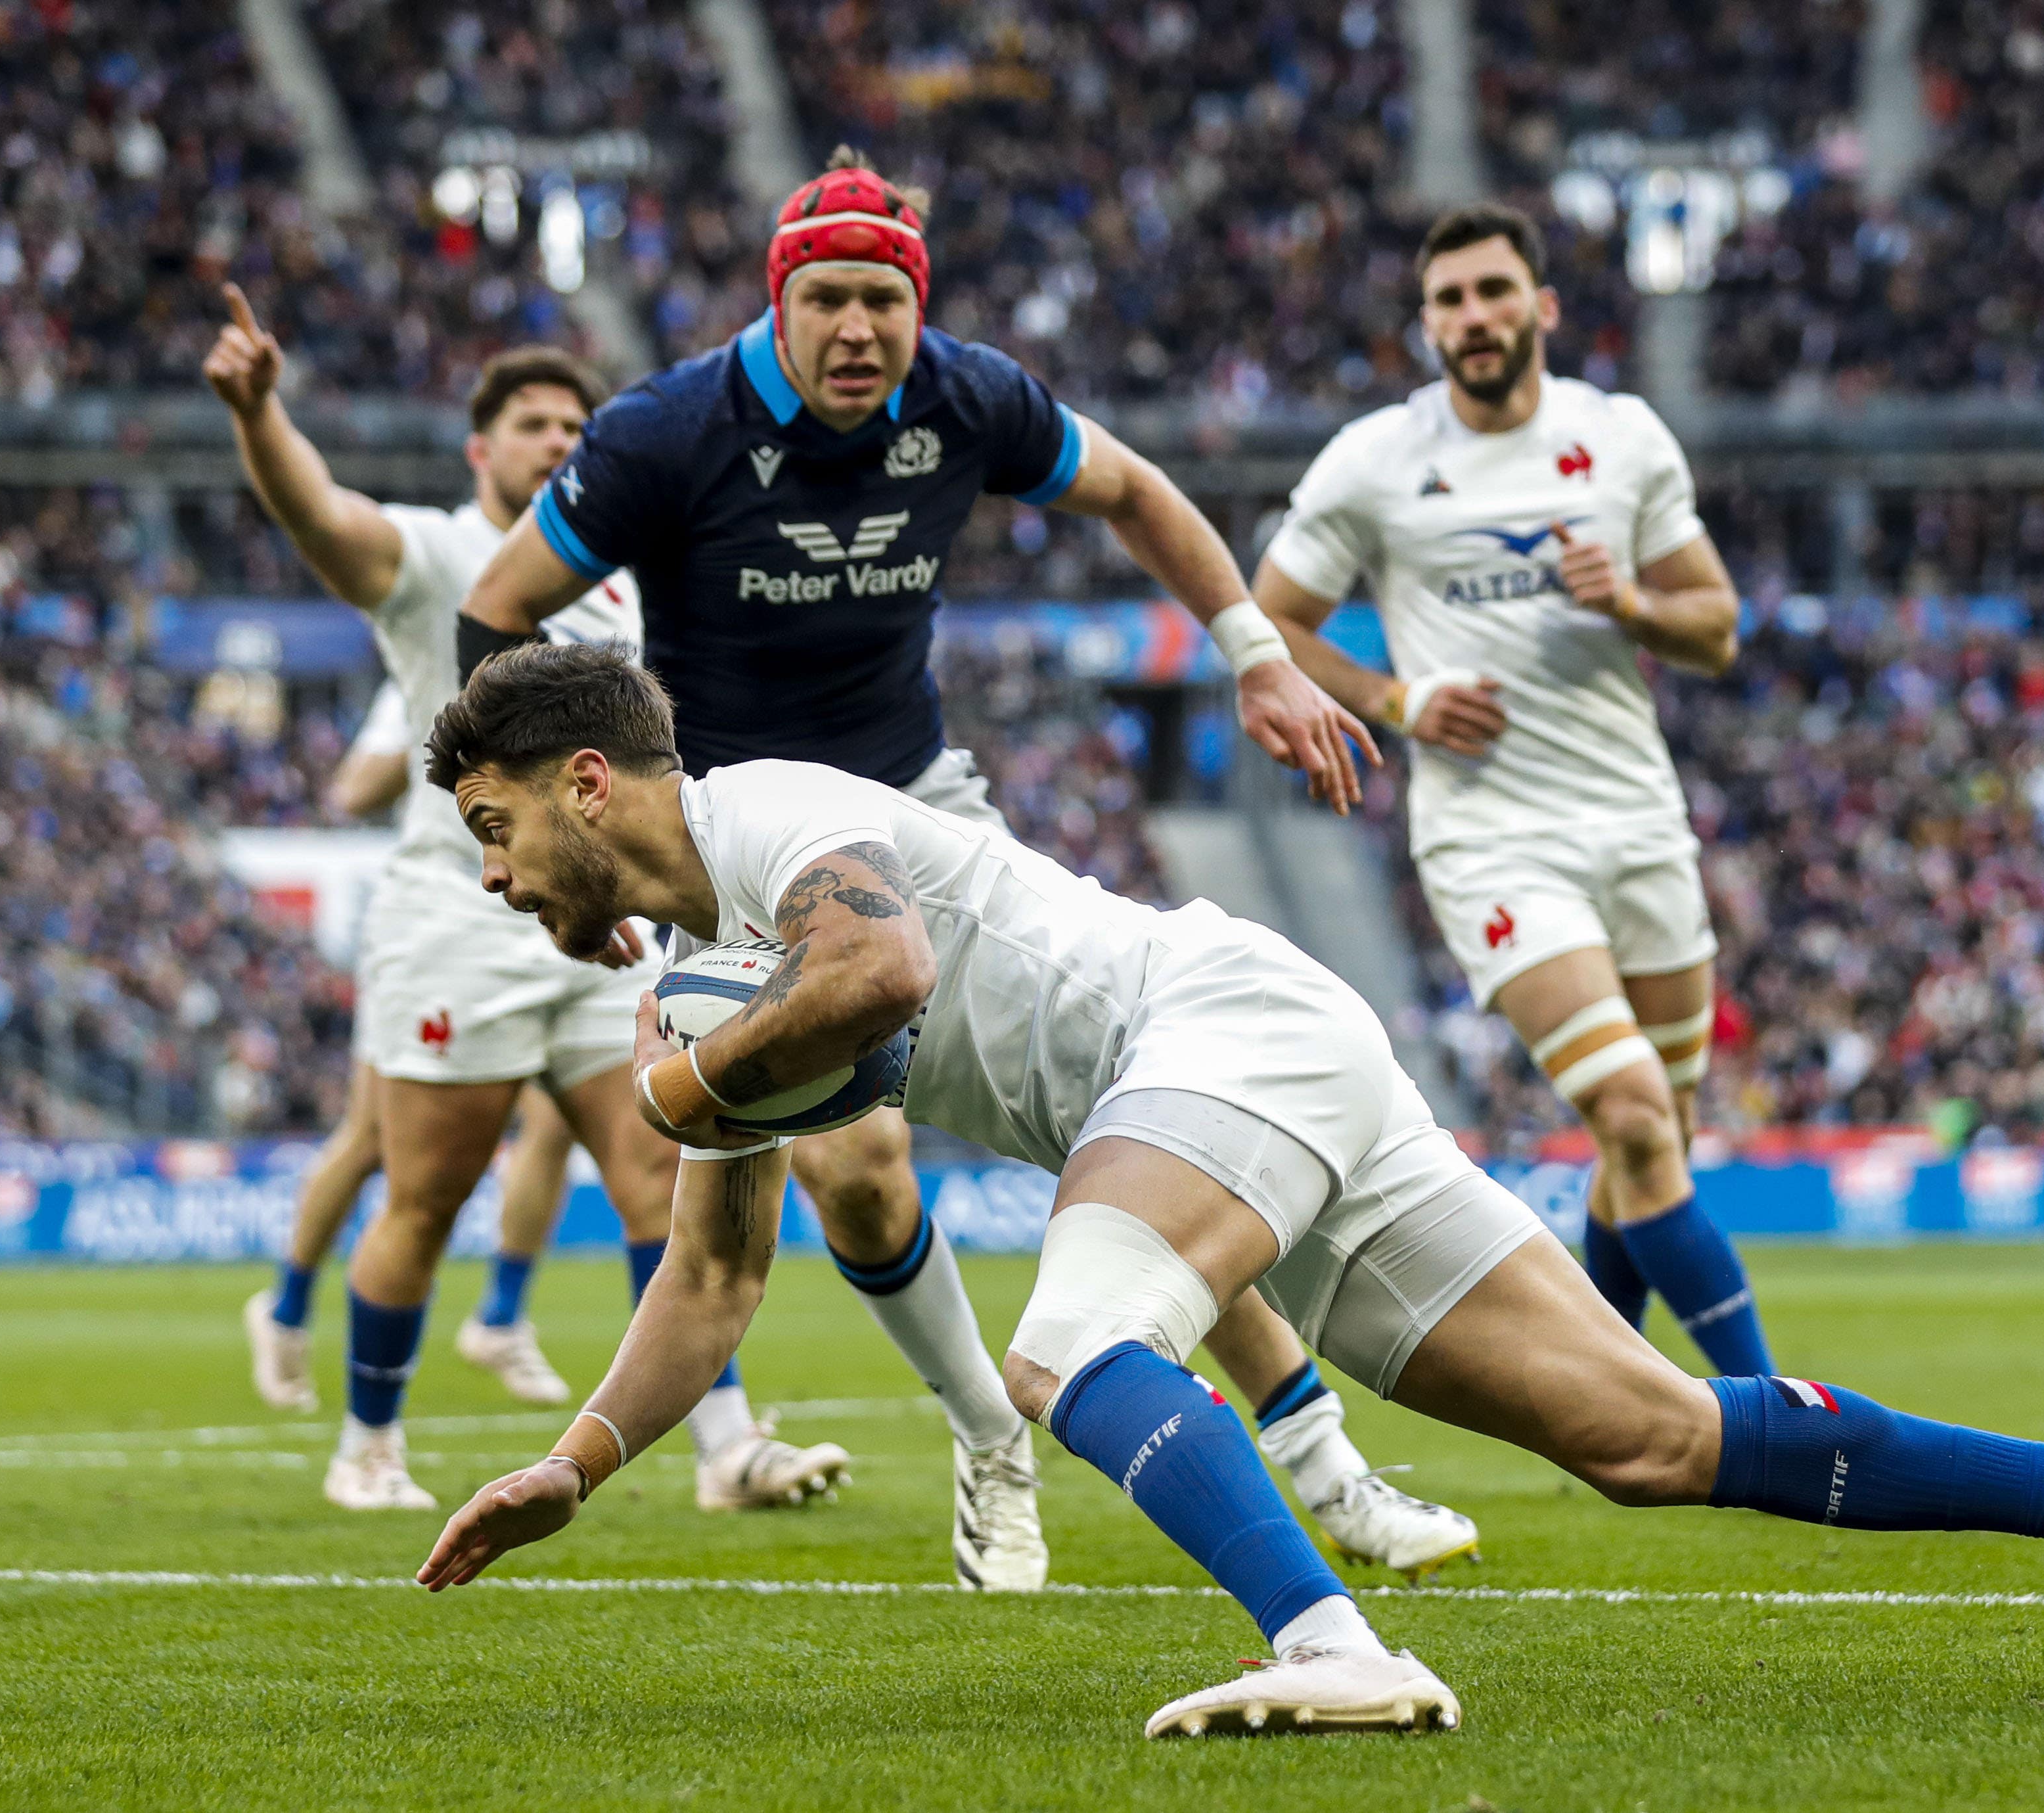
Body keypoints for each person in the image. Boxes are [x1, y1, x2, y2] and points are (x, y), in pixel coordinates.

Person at [411, 645, 2044, 1735]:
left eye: (494, 829)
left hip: (1214, 1024)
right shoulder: (710, 978)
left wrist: (676, 1077)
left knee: (1070, 1344)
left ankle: (1333, 1649)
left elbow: (884, 972)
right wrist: (574, 1461)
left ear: (587, 780)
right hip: (1253, 1072)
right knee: (1640, 1433)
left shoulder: (765, 816)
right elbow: (711, 1278)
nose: (494, 882)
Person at [445, 147, 1480, 1590]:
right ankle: (989, 1431)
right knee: (859, 1171)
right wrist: (558, 838)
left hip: (912, 801)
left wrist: (1251, 653)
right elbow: (494, 608)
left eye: (887, 299)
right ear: (777, 306)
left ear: (918, 309)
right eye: (831, 300)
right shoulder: (662, 432)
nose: (861, 330)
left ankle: (1327, 1465)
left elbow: (1135, 489)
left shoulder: (967, 394)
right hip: (727, 844)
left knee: (1125, 1108)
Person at [204, 296, 840, 1514]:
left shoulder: (614, 594)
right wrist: (258, 413)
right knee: (428, 1192)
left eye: (575, 426)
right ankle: (370, 1444)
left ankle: (723, 1446)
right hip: (457, 920)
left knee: (665, 1173)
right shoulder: (439, 554)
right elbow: (320, 519)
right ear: (478, 449)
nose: (558, 440)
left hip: (603, 935)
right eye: (532, 422)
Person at [1252, 203, 1773, 1377]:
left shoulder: (1621, 438)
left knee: (1657, 1143)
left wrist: (1632, 605)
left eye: (1492, 292)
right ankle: (1768, 1409)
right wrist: (1393, 701)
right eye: (1448, 300)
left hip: (1636, 817)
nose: (1472, 317)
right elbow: (1269, 619)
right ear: (1425, 324)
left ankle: (1604, 1395)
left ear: (1540, 306)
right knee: (1635, 1114)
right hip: (1492, 839)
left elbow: (1718, 628)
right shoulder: (1376, 458)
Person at [244, 682, 585, 1411]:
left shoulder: (581, 651)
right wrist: (460, 738)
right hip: (436, 927)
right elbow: (353, 790)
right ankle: (286, 1309)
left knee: (559, 1120)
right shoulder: (432, 668)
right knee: (373, 1137)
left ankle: (500, 1314)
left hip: (540, 915)